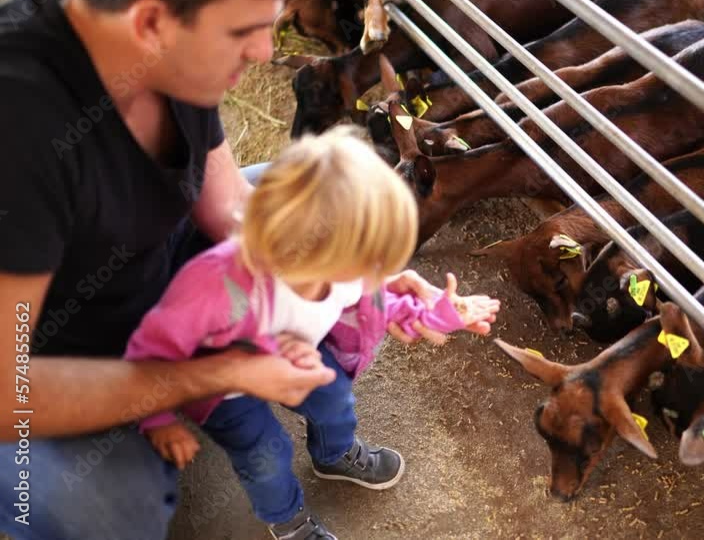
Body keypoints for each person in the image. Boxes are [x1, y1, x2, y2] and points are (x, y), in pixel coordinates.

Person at [0, 0, 495, 539]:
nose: (264, 53)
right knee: (110, 509)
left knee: (326, 208)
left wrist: (364, 265)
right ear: (149, 24)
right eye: (244, 32)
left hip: (165, 264)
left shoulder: (176, 48)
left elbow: (229, 203)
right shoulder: (21, 134)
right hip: (54, 353)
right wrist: (219, 372)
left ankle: (309, 434)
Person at [124, 125, 500, 539]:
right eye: (369, 256)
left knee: (335, 400)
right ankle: (287, 520)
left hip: (295, 354)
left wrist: (442, 314)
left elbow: (384, 305)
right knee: (265, 453)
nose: (375, 270)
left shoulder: (345, 268)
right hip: (221, 383)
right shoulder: (212, 287)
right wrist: (157, 418)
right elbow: (150, 350)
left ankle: (333, 452)